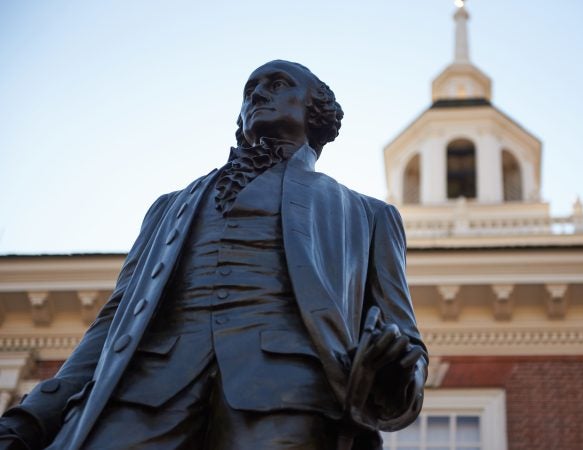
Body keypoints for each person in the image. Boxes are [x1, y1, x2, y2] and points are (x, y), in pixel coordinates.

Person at [0, 60, 427, 450]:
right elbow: (114, 321)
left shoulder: (369, 215)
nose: (258, 94)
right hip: (143, 392)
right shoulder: (170, 206)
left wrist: (396, 373)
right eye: (250, 89)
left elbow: (404, 336)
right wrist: (32, 416)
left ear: (315, 110)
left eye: (277, 84)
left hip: (290, 396)